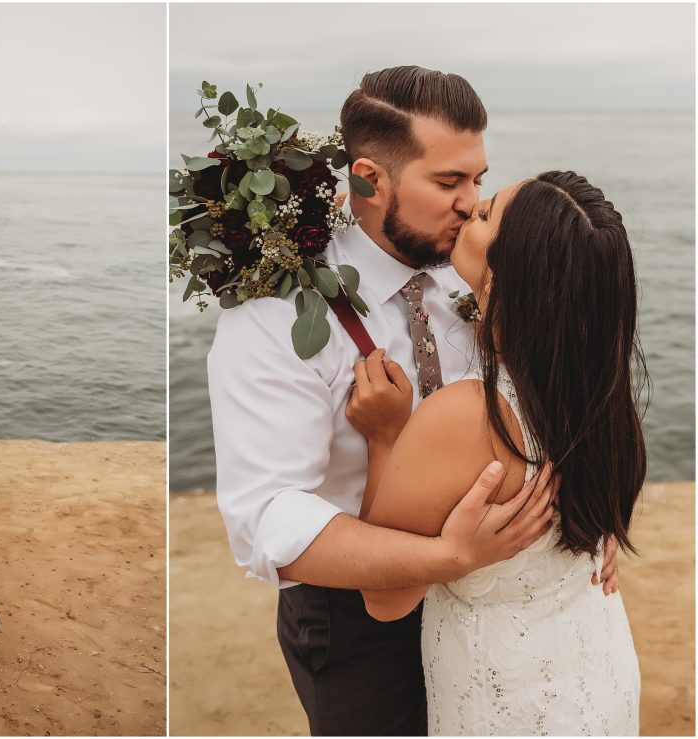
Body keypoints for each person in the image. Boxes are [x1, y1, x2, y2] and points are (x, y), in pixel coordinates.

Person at [206, 67, 616, 735]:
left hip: (485, 605)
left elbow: (557, 386)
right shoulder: (276, 316)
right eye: (450, 182)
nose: (471, 204)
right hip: (358, 620)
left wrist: (588, 522)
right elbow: (267, 516)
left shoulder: (481, 272)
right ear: (369, 179)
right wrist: (448, 557)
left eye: (479, 180)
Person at [348, 171, 644, 734]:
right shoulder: (601, 395)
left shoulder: (469, 417)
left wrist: (385, 438)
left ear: (509, 275)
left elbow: (384, 599)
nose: (470, 207)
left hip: (511, 702)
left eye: (485, 215)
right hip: (597, 666)